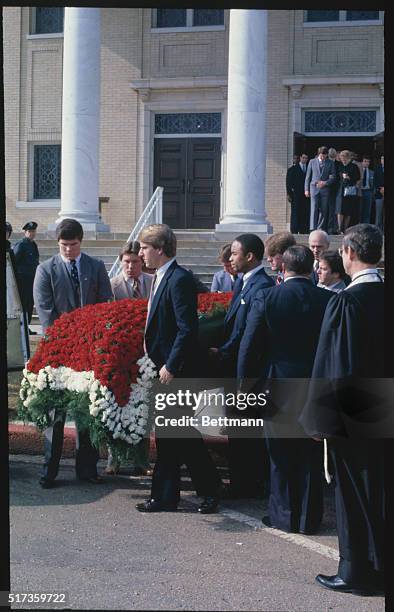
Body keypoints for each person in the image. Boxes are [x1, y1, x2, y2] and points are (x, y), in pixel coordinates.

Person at [300, 224, 384, 595]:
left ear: (349, 253)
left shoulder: (346, 302)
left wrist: (319, 419)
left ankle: (355, 570)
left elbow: (332, 368)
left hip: (355, 414)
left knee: (352, 495)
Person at [237, 245, 332, 534]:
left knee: (279, 454)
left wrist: (243, 387)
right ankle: (308, 518)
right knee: (310, 455)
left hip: (275, 381)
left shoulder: (267, 297)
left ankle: (284, 516)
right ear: (311, 269)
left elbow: (249, 345)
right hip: (316, 385)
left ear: (283, 268)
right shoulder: (327, 299)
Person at [136, 224, 222, 514]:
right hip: (163, 368)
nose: (141, 254)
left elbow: (187, 329)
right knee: (177, 435)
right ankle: (172, 495)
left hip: (176, 372)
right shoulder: (161, 277)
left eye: (145, 248)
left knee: (178, 435)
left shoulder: (178, 279)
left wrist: (171, 366)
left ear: (160, 249)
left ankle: (175, 495)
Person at [33, 218, 113, 488]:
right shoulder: (45, 270)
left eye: (73, 244)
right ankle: (49, 469)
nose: (68, 250)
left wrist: (91, 340)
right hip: (59, 351)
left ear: (81, 241)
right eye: (64, 245)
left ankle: (87, 469)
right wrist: (68, 341)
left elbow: (105, 305)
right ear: (58, 243)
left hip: (90, 350)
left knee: (86, 409)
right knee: (56, 412)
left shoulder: (96, 266)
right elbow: (46, 314)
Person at [209, 234, 274, 499]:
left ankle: (247, 484)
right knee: (239, 429)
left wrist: (222, 352)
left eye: (235, 254)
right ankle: (242, 481)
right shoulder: (245, 283)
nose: (230, 258)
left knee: (246, 430)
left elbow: (248, 333)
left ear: (250, 257)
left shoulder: (260, 286)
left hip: (248, 372)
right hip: (235, 367)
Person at [106, 240, 154, 476]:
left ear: (142, 262)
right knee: (116, 406)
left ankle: (141, 461)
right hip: (120, 355)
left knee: (143, 407)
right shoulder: (112, 286)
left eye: (135, 261)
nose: (131, 266)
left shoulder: (152, 283)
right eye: (126, 261)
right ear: (120, 262)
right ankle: (113, 460)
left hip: (145, 355)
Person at [13, 221, 40, 334]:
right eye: (29, 231)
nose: (32, 233)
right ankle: (22, 328)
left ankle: (26, 326)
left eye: (33, 231)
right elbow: (14, 262)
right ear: (25, 232)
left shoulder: (33, 245)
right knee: (24, 304)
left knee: (29, 304)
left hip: (31, 280)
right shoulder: (21, 244)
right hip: (22, 281)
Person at [304, 146, 336, 232]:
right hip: (314, 188)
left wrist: (325, 183)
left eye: (324, 155)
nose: (323, 157)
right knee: (314, 208)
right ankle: (312, 228)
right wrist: (306, 189)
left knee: (324, 209)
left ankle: (320, 227)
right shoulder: (312, 161)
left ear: (327, 155)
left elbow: (333, 176)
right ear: (319, 154)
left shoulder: (330, 163)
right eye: (321, 155)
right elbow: (308, 176)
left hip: (325, 189)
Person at [336, 150, 360, 234]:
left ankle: (345, 228)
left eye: (345, 158)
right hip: (340, 190)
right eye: (342, 158)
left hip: (350, 190)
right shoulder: (339, 166)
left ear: (348, 158)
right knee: (340, 209)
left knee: (348, 211)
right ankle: (339, 228)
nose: (343, 160)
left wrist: (349, 178)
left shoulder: (354, 166)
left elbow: (358, 178)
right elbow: (336, 177)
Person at [286, 153, 310, 234]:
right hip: (295, 195)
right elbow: (288, 183)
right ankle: (294, 229)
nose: (305, 159)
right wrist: (289, 194)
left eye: (306, 158)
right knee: (295, 212)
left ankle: (303, 229)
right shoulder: (292, 169)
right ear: (300, 158)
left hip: (306, 195)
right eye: (303, 158)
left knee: (305, 212)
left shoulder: (309, 169)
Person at [359, 155, 374, 224]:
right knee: (360, 210)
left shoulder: (372, 172)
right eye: (365, 161)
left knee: (367, 211)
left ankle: (366, 226)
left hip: (368, 191)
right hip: (360, 191)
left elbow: (373, 183)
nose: (367, 163)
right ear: (362, 162)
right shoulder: (359, 171)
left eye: (368, 162)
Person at [373, 154, 384, 230]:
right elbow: (375, 181)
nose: (383, 160)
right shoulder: (377, 168)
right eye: (382, 159)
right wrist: (380, 188)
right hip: (379, 193)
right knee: (378, 213)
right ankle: (377, 230)